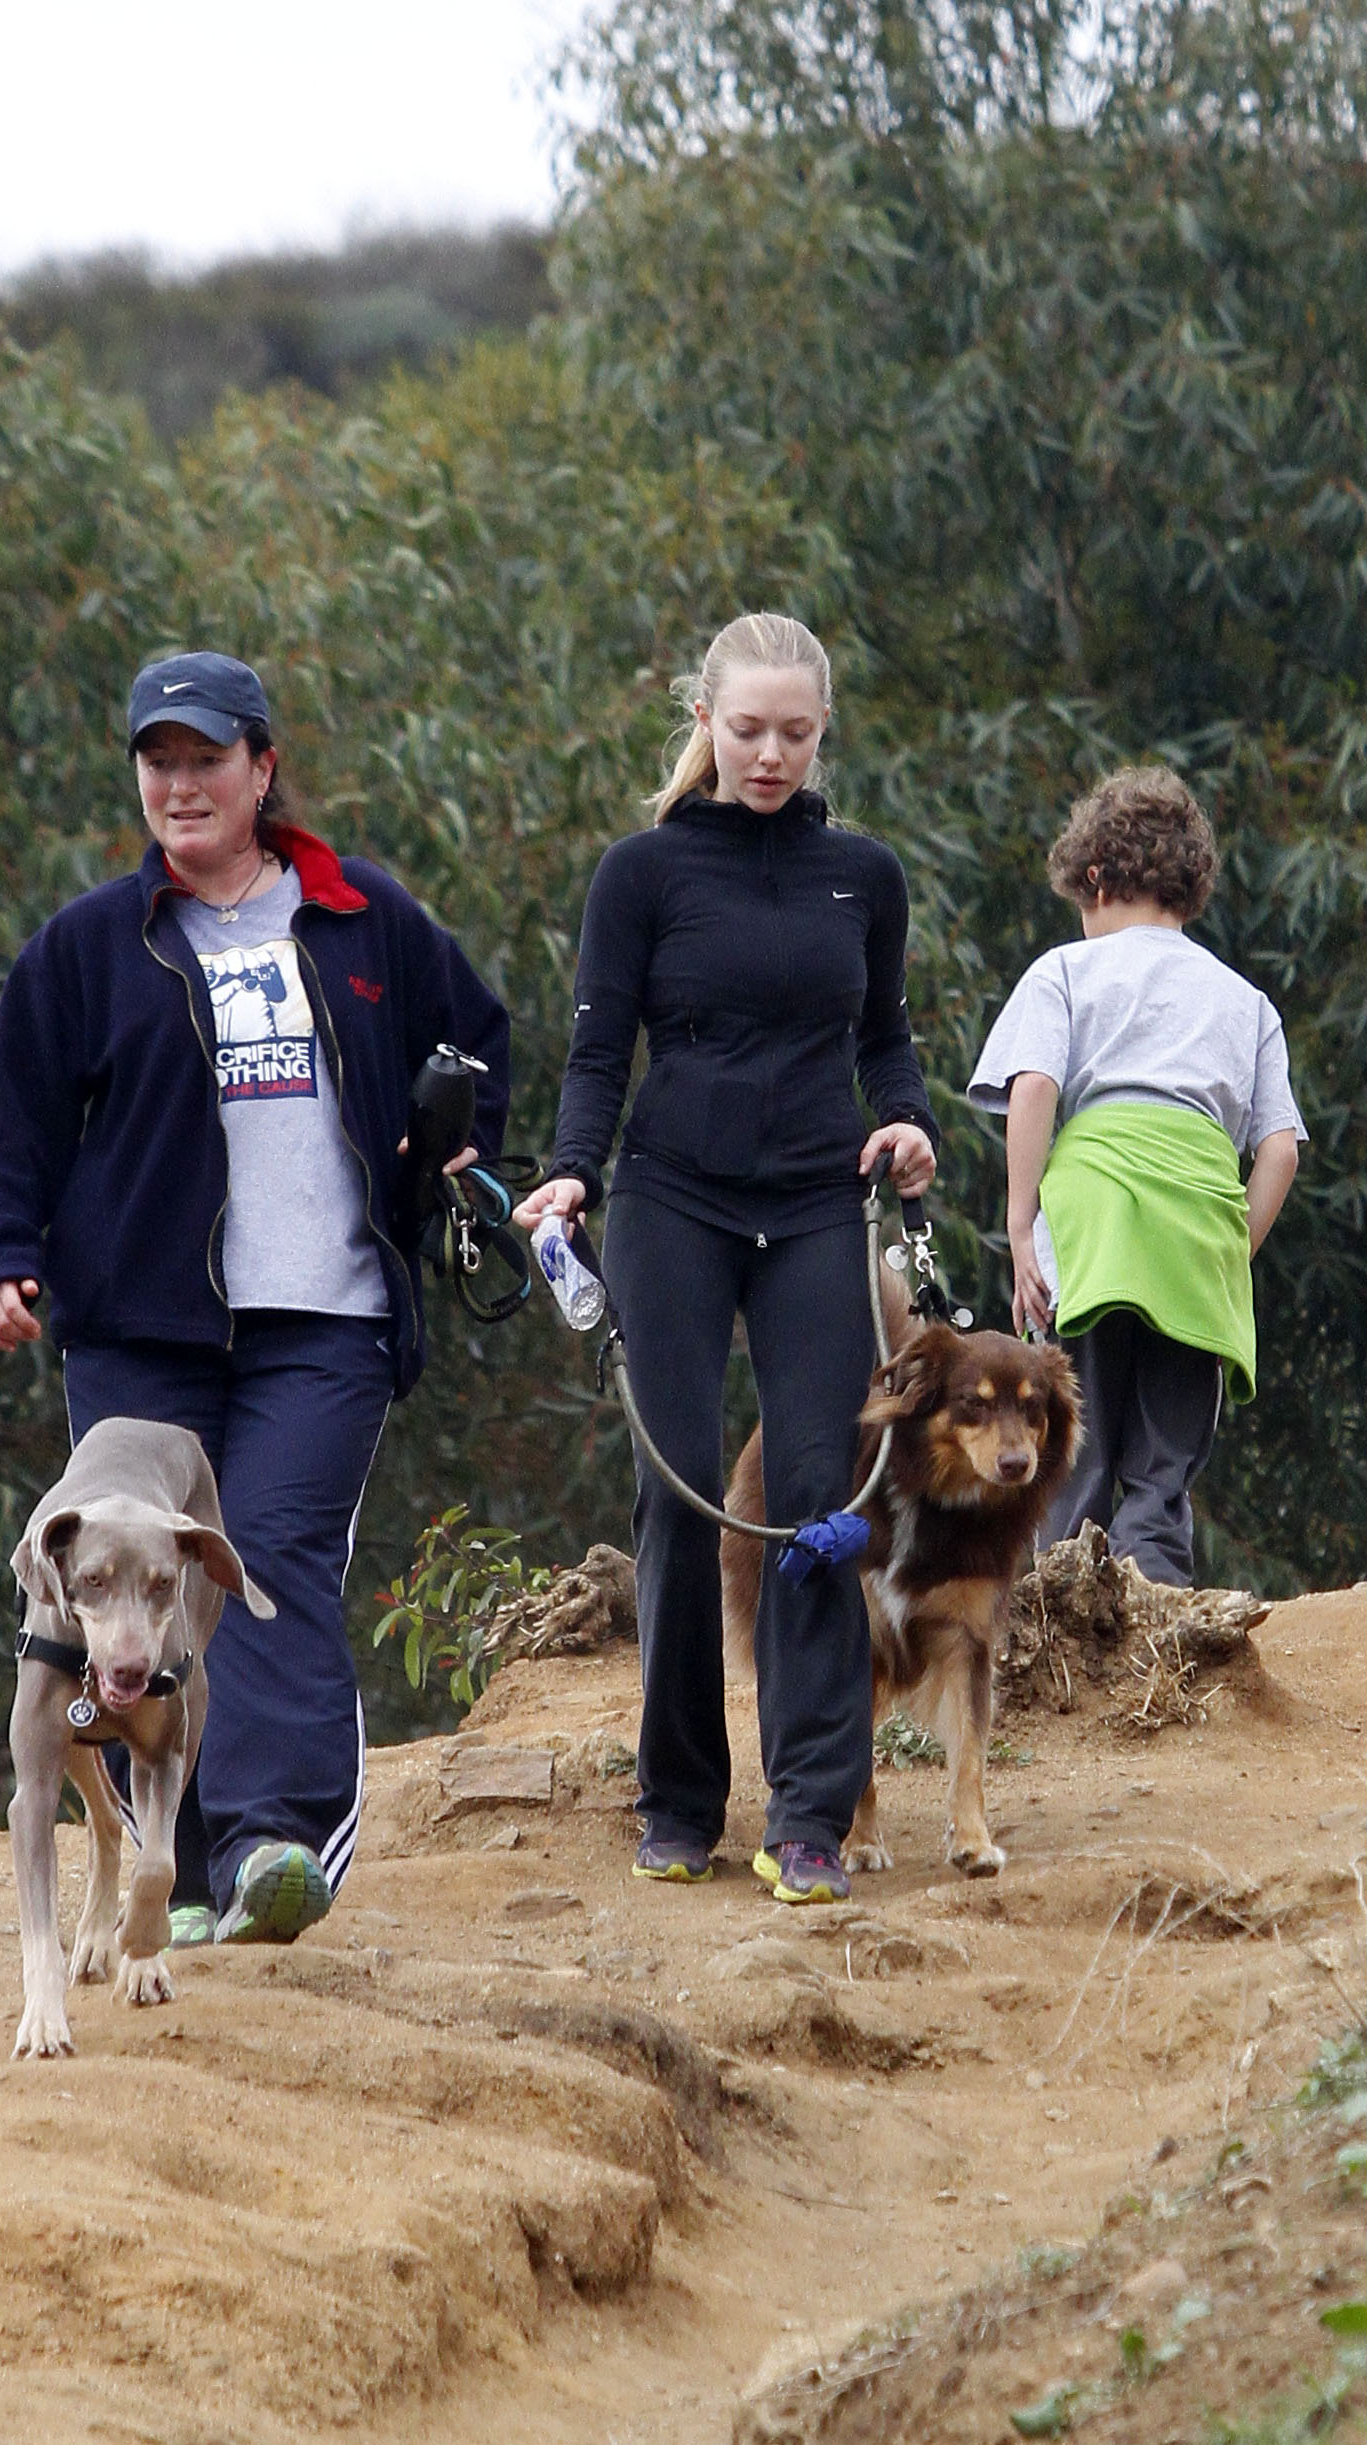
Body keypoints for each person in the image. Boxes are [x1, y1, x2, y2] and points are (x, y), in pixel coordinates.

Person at [0, 650, 510, 1944]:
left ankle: (274, 1846)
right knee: (149, 1581)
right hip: (140, 1328)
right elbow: (11, 1125)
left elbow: (475, 1041)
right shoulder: (89, 945)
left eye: (208, 759)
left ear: (264, 769)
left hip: (329, 1313)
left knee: (264, 1561)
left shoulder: (363, 917)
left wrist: (453, 1142)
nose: (182, 784)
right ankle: (185, 1870)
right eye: (160, 763)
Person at [514, 612, 940, 1906]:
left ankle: (810, 1813)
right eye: (748, 730)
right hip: (672, 1201)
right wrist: (573, 1171)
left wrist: (906, 1120)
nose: (770, 755)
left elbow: (886, 1037)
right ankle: (681, 1800)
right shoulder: (642, 874)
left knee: (819, 1497)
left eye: (795, 734)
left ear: (823, 733)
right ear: (705, 723)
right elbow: (599, 1050)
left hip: (815, 1202)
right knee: (682, 1490)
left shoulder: (862, 876)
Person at [966, 765, 1304, 1586]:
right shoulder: (1248, 1002)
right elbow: (1280, 1149)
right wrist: (1231, 1254)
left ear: (1094, 879)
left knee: (1069, 1453)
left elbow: (1035, 1088)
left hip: (1093, 1230)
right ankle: (1158, 1617)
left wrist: (1020, 1227)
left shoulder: (1066, 971)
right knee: (1161, 1473)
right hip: (1197, 1235)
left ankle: (1064, 1616)